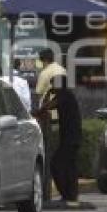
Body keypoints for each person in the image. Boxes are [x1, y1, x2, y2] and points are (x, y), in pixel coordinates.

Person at [40, 74, 82, 203]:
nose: (53, 87)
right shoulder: (66, 95)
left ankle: (67, 194)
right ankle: (70, 195)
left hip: (71, 138)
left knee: (56, 164)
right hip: (70, 138)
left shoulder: (65, 96)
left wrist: (47, 93)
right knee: (69, 167)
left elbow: (45, 107)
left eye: (54, 84)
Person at [35, 48, 66, 115]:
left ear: (44, 60)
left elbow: (39, 93)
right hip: (63, 107)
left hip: (48, 109)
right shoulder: (62, 70)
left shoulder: (45, 73)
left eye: (40, 61)